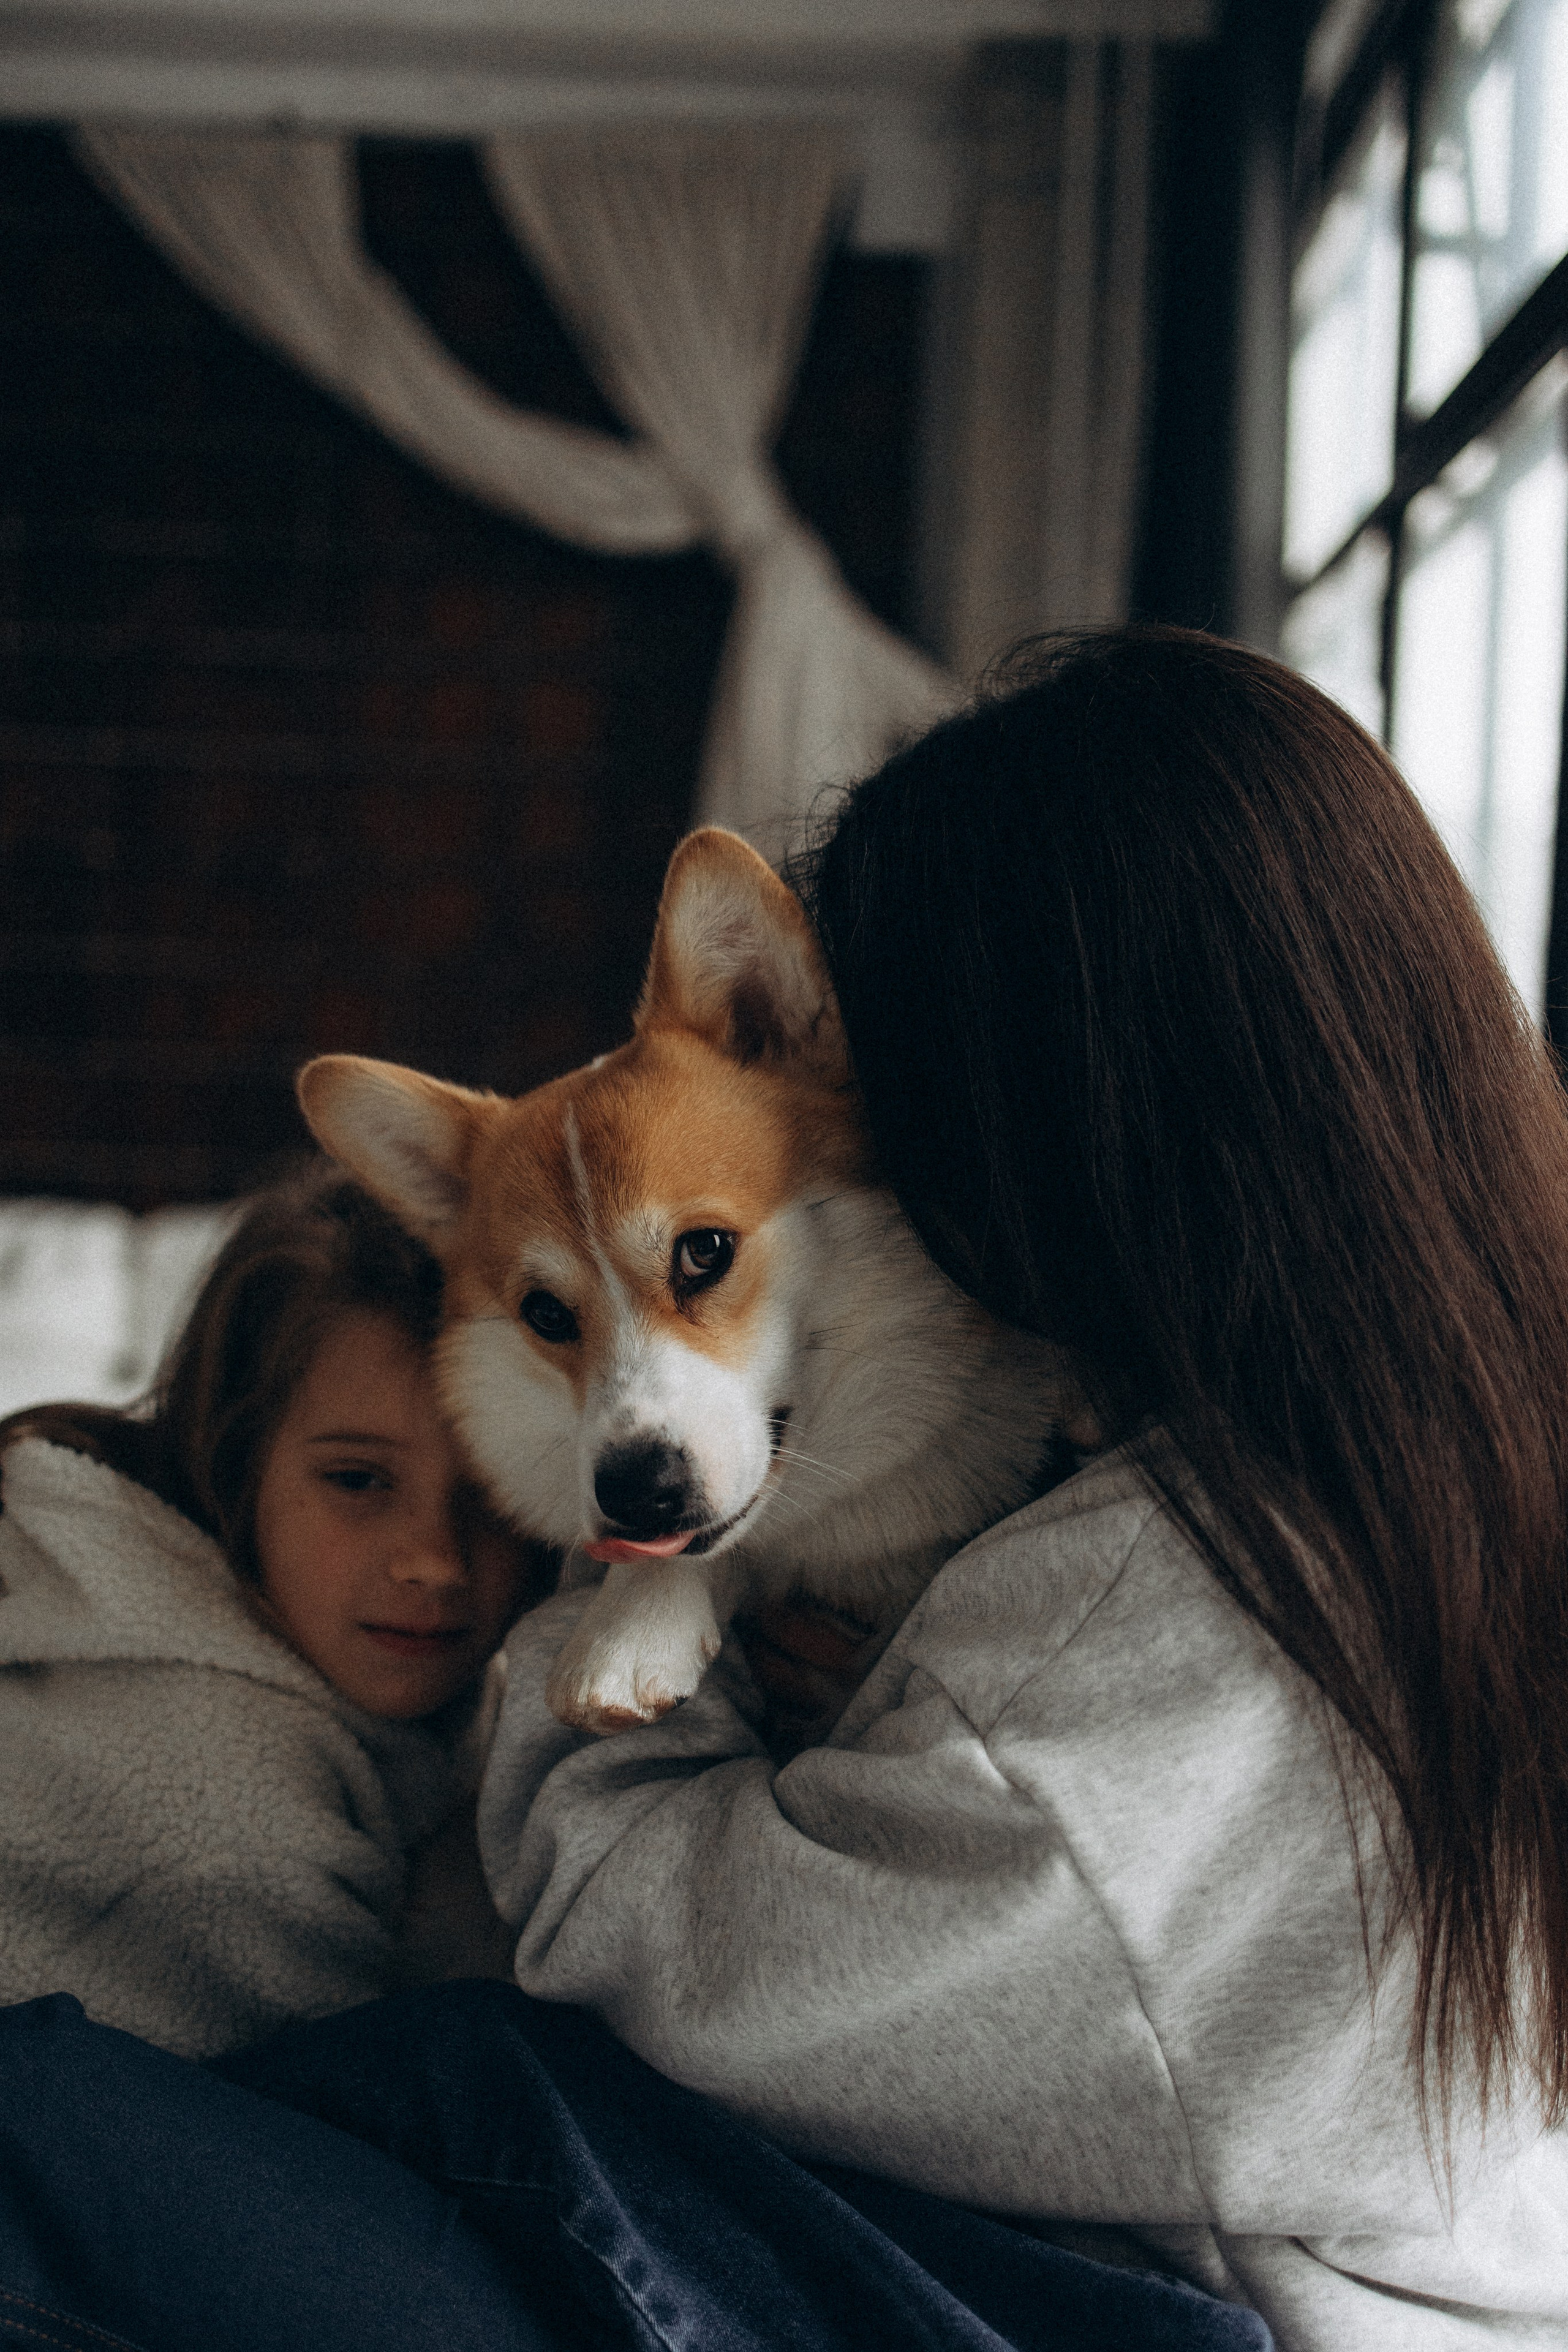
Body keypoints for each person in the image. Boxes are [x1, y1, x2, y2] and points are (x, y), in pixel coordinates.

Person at [5, 622, 1563, 2351]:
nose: (867, 1121)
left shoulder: (1137, 1629)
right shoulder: (1434, 1422)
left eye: (888, 1066)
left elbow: (641, 1933)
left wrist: (642, 1606)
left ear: (1048, 1109)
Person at [0, 1165, 533, 2058]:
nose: (435, 1561)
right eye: (357, 1481)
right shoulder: (235, 1844)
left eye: (494, 1492)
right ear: (237, 1459)